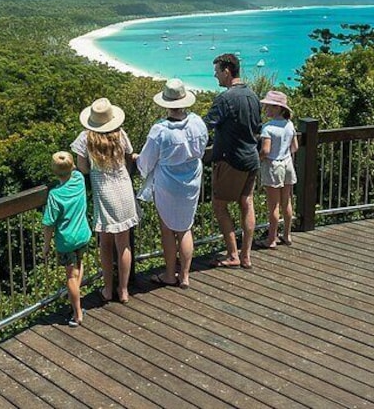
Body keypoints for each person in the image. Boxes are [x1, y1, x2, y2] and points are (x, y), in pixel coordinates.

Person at [134, 78, 208, 289]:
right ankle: (185, 275)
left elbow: (146, 162)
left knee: (167, 228)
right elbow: (202, 150)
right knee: (185, 227)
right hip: (192, 178)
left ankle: (169, 273)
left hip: (167, 183)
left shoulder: (160, 130)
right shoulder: (197, 123)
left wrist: (137, 161)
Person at [71, 97, 139, 304]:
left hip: (103, 190)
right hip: (124, 188)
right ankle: (124, 290)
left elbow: (82, 168)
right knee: (124, 244)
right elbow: (129, 157)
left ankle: (108, 290)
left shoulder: (85, 139)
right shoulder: (120, 134)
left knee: (106, 245)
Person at [204, 53, 261, 269]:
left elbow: (207, 124)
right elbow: (257, 128)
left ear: (227, 71)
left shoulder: (225, 99)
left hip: (231, 160)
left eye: (217, 71)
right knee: (247, 202)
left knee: (219, 206)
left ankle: (232, 253)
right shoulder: (253, 96)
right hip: (251, 158)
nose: (215, 75)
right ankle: (246, 255)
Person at [42, 151, 91, 328]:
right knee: (79, 265)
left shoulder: (54, 195)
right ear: (72, 167)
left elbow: (48, 224)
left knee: (71, 276)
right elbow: (77, 169)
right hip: (83, 234)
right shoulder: (78, 179)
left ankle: (77, 313)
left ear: (54, 172)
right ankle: (76, 299)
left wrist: (46, 246)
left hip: (67, 240)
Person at [256, 90, 298, 249]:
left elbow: (266, 151)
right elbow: (295, 147)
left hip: (273, 166)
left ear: (278, 108)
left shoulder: (268, 128)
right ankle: (287, 234)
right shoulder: (290, 125)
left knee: (273, 205)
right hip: (287, 164)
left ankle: (271, 239)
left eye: (269, 106)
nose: (266, 109)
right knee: (286, 202)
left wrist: (257, 159)